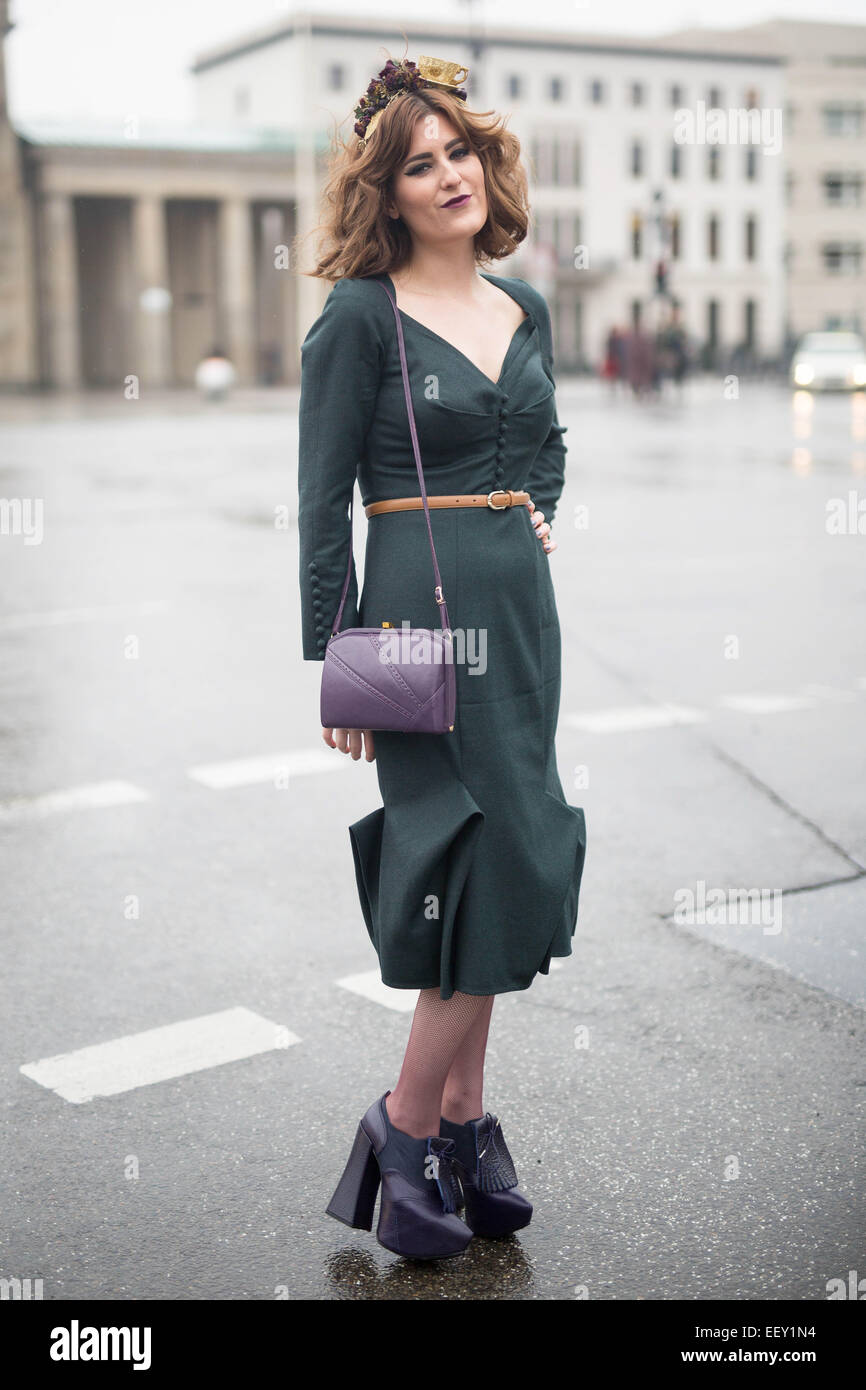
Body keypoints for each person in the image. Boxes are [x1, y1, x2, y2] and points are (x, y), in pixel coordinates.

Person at [295, 54, 587, 1261]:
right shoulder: (359, 317)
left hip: (517, 613)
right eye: (418, 164)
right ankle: (408, 1123)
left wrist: (540, 508)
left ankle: (461, 1125)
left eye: (457, 150)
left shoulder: (528, 307)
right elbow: (319, 501)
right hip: (413, 614)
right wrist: (335, 648)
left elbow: (548, 437)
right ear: (390, 192)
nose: (447, 174)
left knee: (512, 858)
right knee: (465, 860)